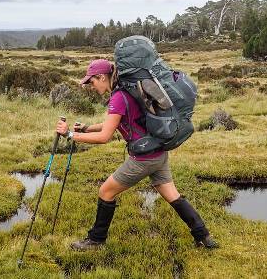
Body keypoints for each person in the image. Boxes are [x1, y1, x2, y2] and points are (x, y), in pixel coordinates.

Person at [55, 59, 218, 251]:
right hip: (158, 152)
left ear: (101, 77)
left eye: (91, 82)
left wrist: (71, 135)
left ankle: (96, 241)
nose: (91, 86)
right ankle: (203, 236)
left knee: (106, 192)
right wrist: (87, 128)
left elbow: (105, 136)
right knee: (172, 195)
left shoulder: (118, 97)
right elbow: (114, 123)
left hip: (143, 159)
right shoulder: (128, 92)